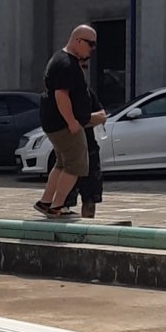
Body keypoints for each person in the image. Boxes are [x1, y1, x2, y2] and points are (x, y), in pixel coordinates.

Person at [34, 25, 102, 219]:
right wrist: (72, 121)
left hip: (53, 124)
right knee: (76, 165)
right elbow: (61, 95)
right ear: (78, 41)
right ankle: (56, 206)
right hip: (64, 125)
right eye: (90, 44)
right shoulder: (67, 64)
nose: (92, 49)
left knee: (62, 164)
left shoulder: (58, 59)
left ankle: (46, 201)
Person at [63, 58, 104, 219]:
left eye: (85, 67)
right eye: (80, 67)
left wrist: (77, 121)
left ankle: (89, 226)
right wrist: (82, 120)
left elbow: (102, 116)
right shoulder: (63, 93)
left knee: (91, 196)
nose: (83, 70)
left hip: (90, 151)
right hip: (70, 151)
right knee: (64, 199)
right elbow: (63, 122)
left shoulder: (88, 92)